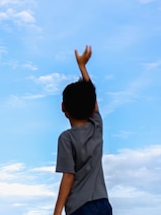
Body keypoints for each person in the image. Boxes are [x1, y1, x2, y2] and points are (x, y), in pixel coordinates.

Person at [53, 46, 112, 215]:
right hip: (103, 205)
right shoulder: (97, 127)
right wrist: (83, 67)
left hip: (80, 208)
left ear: (63, 108)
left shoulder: (66, 138)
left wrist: (56, 212)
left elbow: (68, 176)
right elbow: (92, 99)